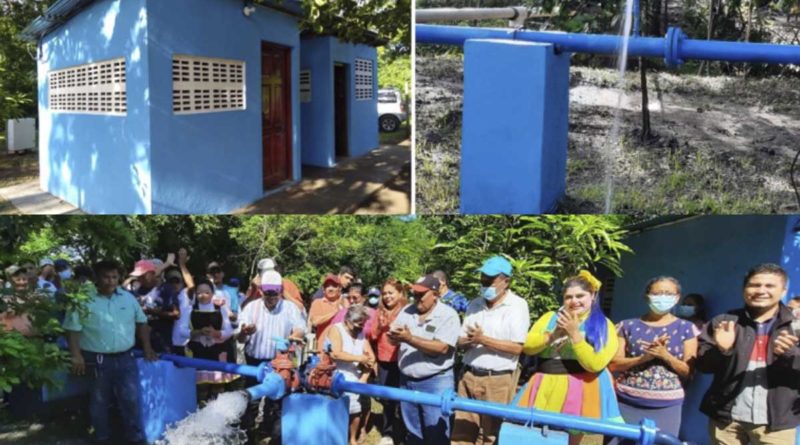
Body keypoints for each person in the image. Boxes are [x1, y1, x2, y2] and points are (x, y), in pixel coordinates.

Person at [696, 263, 800, 444]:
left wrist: (792, 355)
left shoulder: (796, 327)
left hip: (776, 422)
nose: (761, 290)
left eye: (769, 286)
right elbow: (704, 366)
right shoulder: (725, 323)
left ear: (783, 291)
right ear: (744, 289)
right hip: (727, 421)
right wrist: (723, 349)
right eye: (754, 285)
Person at [517, 271, 621, 445]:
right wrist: (552, 336)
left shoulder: (604, 324)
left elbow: (596, 363)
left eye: (580, 295)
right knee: (536, 437)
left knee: (569, 440)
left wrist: (574, 334)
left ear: (593, 295)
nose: (574, 301)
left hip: (580, 389)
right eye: (568, 297)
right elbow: (527, 347)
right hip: (545, 385)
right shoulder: (550, 318)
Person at [62, 260, 157, 444]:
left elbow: (142, 322)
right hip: (96, 360)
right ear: (96, 277)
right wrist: (76, 355)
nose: (111, 281)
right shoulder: (83, 299)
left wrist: (148, 348)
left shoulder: (127, 298)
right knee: (99, 402)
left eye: (114, 277)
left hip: (126, 357)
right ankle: (102, 438)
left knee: (130, 400)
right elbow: (72, 329)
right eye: (106, 277)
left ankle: (134, 438)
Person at [452, 256, 530, 445]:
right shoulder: (474, 304)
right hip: (469, 376)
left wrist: (483, 339)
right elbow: (460, 340)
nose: (484, 284)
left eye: (490, 280)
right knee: (461, 434)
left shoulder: (517, 306)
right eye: (482, 280)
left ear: (506, 281)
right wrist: (468, 341)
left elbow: (517, 347)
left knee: (492, 436)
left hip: (498, 380)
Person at [609, 277, 699, 441]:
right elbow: (614, 364)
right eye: (657, 293)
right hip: (626, 403)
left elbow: (689, 371)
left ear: (677, 297)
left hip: (667, 408)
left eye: (668, 293)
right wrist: (644, 358)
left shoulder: (687, 329)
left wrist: (665, 355)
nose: (663, 297)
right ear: (647, 296)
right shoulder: (626, 326)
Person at [389, 275, 461, 445]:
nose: (417, 298)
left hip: (435, 382)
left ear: (435, 294)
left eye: (422, 294)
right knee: (413, 431)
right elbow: (395, 338)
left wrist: (409, 339)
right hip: (407, 380)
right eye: (415, 294)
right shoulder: (407, 311)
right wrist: (393, 337)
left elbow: (442, 348)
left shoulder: (448, 315)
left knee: (435, 432)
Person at [237, 268, 306, 444]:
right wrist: (245, 331)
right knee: (251, 400)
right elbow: (240, 337)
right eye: (268, 293)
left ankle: (270, 433)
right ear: (261, 291)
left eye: (275, 293)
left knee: (276, 401)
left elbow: (300, 327)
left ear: (281, 291)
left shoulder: (290, 308)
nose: (272, 297)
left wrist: (295, 335)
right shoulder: (251, 307)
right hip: (255, 362)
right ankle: (248, 435)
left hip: (279, 363)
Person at [176, 256, 236, 402]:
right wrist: (195, 332)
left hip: (218, 351)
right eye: (200, 293)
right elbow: (181, 330)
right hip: (198, 351)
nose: (203, 296)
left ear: (212, 293)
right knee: (200, 388)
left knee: (218, 387)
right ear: (196, 294)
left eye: (207, 292)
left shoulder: (220, 309)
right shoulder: (190, 310)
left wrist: (217, 333)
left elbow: (229, 330)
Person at [327, 305, 377, 445]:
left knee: (356, 411)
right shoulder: (336, 329)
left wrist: (364, 378)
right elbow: (336, 353)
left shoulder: (361, 334)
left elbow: (371, 357)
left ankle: (352, 439)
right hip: (337, 375)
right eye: (357, 325)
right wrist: (360, 358)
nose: (360, 328)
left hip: (356, 377)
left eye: (362, 325)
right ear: (348, 321)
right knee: (338, 410)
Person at [367, 278, 408, 445]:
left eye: (390, 293)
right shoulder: (380, 311)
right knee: (387, 399)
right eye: (384, 293)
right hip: (385, 360)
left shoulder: (407, 311)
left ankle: (406, 432)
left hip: (403, 361)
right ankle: (388, 432)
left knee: (405, 399)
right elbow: (373, 336)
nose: (387, 296)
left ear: (399, 293)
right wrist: (380, 326)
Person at [310, 274, 347, 344]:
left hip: (343, 348)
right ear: (323, 290)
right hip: (322, 348)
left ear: (340, 288)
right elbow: (315, 322)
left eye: (334, 286)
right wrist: (335, 312)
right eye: (327, 286)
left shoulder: (346, 302)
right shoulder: (317, 302)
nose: (330, 289)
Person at [1, 265, 35, 336]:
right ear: (11, 281)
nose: (22, 282)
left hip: (32, 340)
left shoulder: (32, 298)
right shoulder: (5, 299)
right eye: (18, 280)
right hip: (11, 341)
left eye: (24, 279)